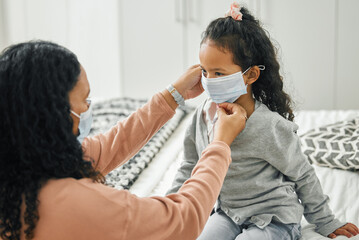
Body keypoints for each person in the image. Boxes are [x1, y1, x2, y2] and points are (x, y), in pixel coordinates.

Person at [0, 40, 248, 240]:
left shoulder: (22, 166)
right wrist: (220, 144)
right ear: (55, 114)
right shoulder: (86, 205)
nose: (89, 108)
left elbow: (111, 145)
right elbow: (183, 219)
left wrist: (173, 96)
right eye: (85, 100)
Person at [166, 3, 359, 240]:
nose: (209, 81)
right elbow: (189, 166)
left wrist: (326, 221)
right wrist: (167, 212)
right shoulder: (203, 116)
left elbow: (303, 174)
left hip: (274, 217)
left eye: (219, 73)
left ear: (250, 75)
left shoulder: (269, 126)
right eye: (204, 72)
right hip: (229, 213)